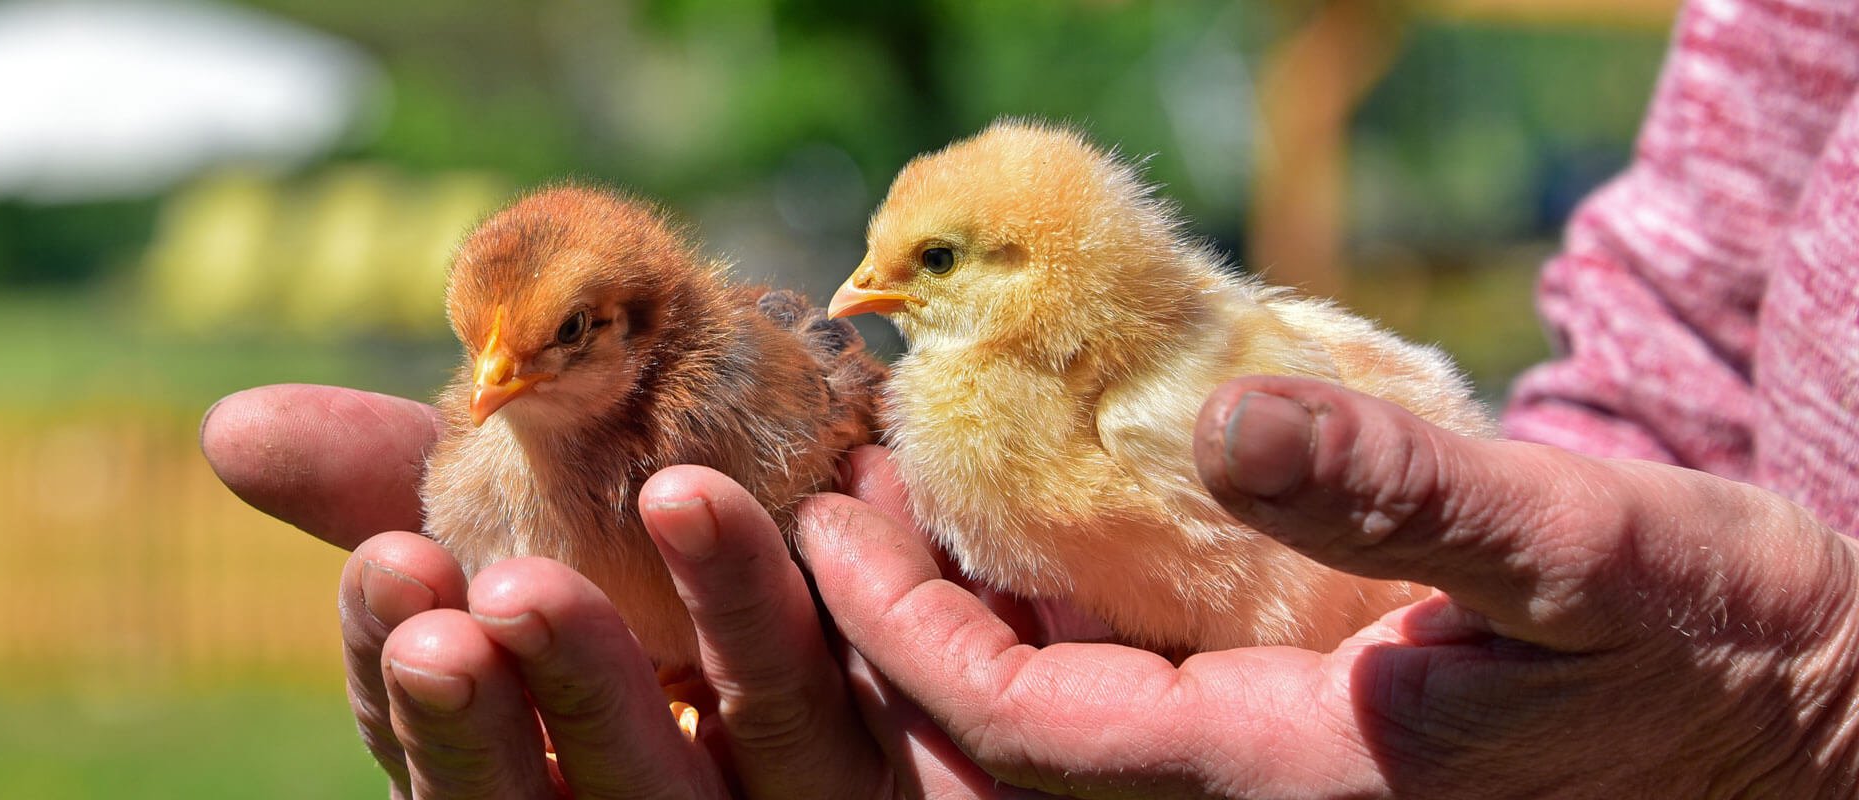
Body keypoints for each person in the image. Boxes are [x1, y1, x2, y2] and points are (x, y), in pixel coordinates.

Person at [201, 0, 1858, 795]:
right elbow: (1684, 347)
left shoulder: (806, 404)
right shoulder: (515, 452)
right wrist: (1593, 634)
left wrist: (1804, 704)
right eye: (477, 353)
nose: (485, 390)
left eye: (551, 343)